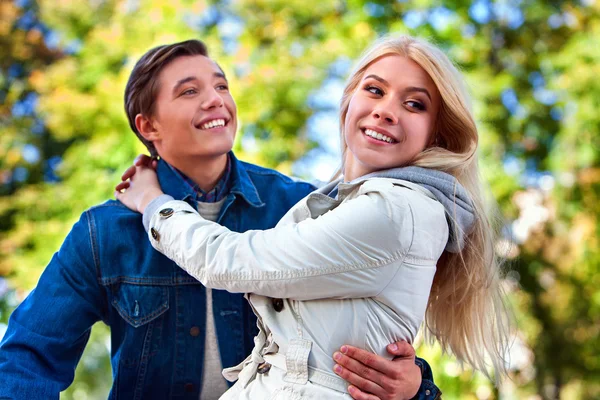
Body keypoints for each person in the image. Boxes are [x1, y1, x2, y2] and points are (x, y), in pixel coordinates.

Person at [0, 39, 438, 400]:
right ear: (148, 125)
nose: (216, 100)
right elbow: (29, 355)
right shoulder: (104, 234)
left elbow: (360, 324)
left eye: (222, 86)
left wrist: (415, 383)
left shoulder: (298, 207)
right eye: (189, 92)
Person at [116, 35, 510, 399]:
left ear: (435, 136)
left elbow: (231, 261)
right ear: (349, 100)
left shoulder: (389, 210)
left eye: (414, 104)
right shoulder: (322, 207)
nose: (386, 111)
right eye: (374, 90)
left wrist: (154, 201)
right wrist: (417, 385)